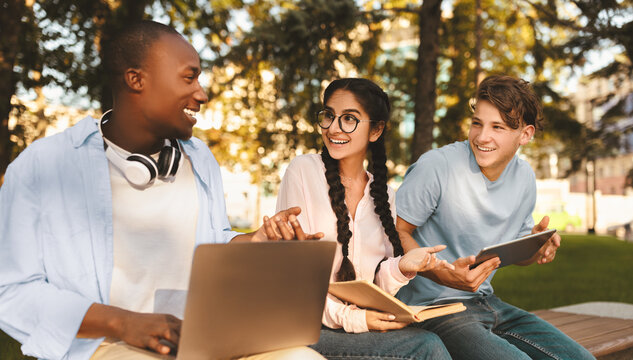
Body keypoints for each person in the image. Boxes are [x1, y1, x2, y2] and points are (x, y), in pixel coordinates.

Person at [0, 20, 323, 360]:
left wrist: (256, 242)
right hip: (110, 345)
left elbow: (212, 242)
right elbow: (10, 289)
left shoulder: (200, 158)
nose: (202, 93)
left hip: (205, 337)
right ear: (136, 79)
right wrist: (123, 323)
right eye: (189, 77)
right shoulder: (44, 165)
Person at [395, 74, 595, 360]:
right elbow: (394, 233)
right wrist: (444, 274)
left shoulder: (524, 177)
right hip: (432, 309)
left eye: (497, 127)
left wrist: (535, 246)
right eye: (477, 123)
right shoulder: (437, 166)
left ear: (525, 135)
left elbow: (513, 255)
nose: (481, 136)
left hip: (486, 302)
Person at [276, 78, 454, 359]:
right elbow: (294, 281)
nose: (334, 127)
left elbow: (370, 289)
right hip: (303, 326)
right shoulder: (303, 172)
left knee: (431, 339)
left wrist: (402, 267)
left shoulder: (384, 196)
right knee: (425, 348)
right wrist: (356, 320)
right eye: (329, 116)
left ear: (376, 129)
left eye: (349, 119)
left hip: (352, 326)